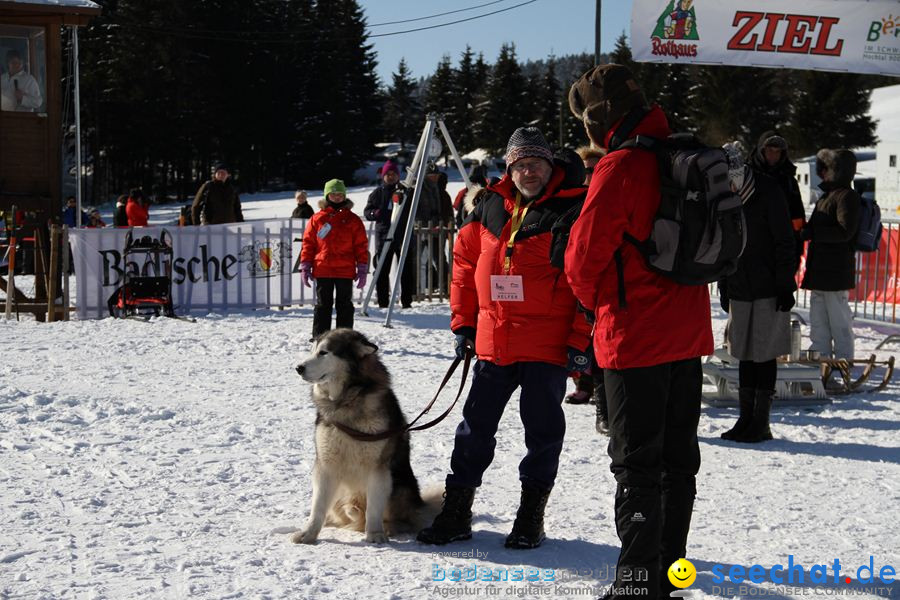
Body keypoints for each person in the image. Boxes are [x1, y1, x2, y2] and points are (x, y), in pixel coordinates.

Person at [565, 64, 713, 599]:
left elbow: (583, 261)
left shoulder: (620, 165)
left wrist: (594, 306)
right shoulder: (678, 151)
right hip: (688, 333)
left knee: (636, 467)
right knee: (679, 460)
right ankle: (670, 574)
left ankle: (634, 585)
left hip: (634, 336)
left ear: (600, 117)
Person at [417, 126, 591, 550]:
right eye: (520, 164)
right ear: (509, 169)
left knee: (542, 432)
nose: (528, 171)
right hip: (494, 342)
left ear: (551, 165)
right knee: (474, 429)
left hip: (547, 347)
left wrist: (579, 341)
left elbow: (588, 280)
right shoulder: (490, 206)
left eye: (536, 163)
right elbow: (462, 264)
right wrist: (464, 324)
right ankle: (457, 511)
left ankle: (530, 516)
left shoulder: (574, 209)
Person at [717, 142, 796, 444]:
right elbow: (724, 242)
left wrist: (784, 284)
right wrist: (724, 283)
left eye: (732, 180)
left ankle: (761, 422)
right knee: (744, 354)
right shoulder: (724, 194)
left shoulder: (767, 190)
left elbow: (785, 240)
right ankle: (745, 417)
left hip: (767, 286)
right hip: (739, 284)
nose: (730, 187)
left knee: (764, 354)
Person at [565, 144, 612, 436]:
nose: (592, 175)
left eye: (597, 169)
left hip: (605, 287)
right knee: (580, 348)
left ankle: (604, 409)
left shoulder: (611, 199)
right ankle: (584, 388)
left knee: (602, 352)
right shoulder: (571, 202)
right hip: (575, 288)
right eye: (587, 170)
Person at [801, 149, 861, 361]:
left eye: (827, 168)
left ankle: (844, 361)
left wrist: (812, 233)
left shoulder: (847, 197)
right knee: (818, 321)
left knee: (839, 321)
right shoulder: (827, 196)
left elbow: (845, 231)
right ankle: (821, 359)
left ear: (838, 171)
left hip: (835, 271)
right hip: (820, 271)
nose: (822, 173)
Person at [299, 179, 369, 339]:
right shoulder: (317, 219)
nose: (337, 197)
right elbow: (308, 243)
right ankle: (319, 337)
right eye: (333, 194)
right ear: (327, 195)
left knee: (344, 305)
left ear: (344, 196)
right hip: (323, 268)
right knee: (323, 305)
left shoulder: (353, 219)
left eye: (340, 194)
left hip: (345, 269)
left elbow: (361, 245)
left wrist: (363, 266)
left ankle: (344, 338)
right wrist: (305, 264)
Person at [749, 131, 806, 271]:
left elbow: (797, 217)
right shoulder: (746, 176)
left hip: (780, 250)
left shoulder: (788, 181)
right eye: (769, 150)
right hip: (750, 250)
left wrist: (797, 251)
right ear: (761, 150)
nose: (773, 155)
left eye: (777, 151)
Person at [363, 160, 415, 308]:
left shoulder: (405, 191)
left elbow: (414, 207)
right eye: (388, 174)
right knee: (381, 270)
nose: (391, 177)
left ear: (398, 176)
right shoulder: (377, 193)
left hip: (403, 235)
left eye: (393, 174)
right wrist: (375, 213)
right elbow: (367, 212)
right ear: (383, 176)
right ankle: (383, 302)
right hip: (384, 235)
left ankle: (406, 301)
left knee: (406, 270)